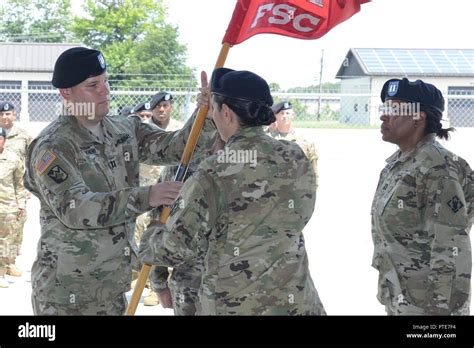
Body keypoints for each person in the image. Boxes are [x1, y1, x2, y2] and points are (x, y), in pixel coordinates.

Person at [23, 47, 216, 315]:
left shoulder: (123, 129)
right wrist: (147, 196)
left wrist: (204, 114)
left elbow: (177, 148)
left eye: (106, 81)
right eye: (93, 85)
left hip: (112, 286)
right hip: (67, 294)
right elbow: (76, 209)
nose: (105, 91)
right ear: (66, 93)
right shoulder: (53, 146)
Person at [139, 68, 326, 315]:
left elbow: (173, 248)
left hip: (234, 303)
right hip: (294, 300)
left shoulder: (213, 172)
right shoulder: (295, 157)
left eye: (214, 110)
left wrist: (151, 235)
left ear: (225, 113)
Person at [372, 78, 473, 315]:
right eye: (384, 108)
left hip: (429, 307)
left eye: (393, 109)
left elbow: (450, 249)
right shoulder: (400, 163)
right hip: (403, 297)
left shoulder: (438, 168)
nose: (383, 116)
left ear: (419, 116)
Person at [0, 101, 32, 277]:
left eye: (8, 113)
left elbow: (34, 158)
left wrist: (29, 184)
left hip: (17, 188)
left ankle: (10, 262)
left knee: (16, 226)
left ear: (14, 114)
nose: (5, 117)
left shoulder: (23, 136)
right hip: (3, 188)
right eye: (2, 114)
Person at [268, 101, 318, 190]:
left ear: (293, 115)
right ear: (276, 116)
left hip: (298, 190)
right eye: (281, 113)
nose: (285, 116)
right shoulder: (269, 139)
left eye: (287, 113)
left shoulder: (304, 141)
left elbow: (313, 168)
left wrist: (313, 188)